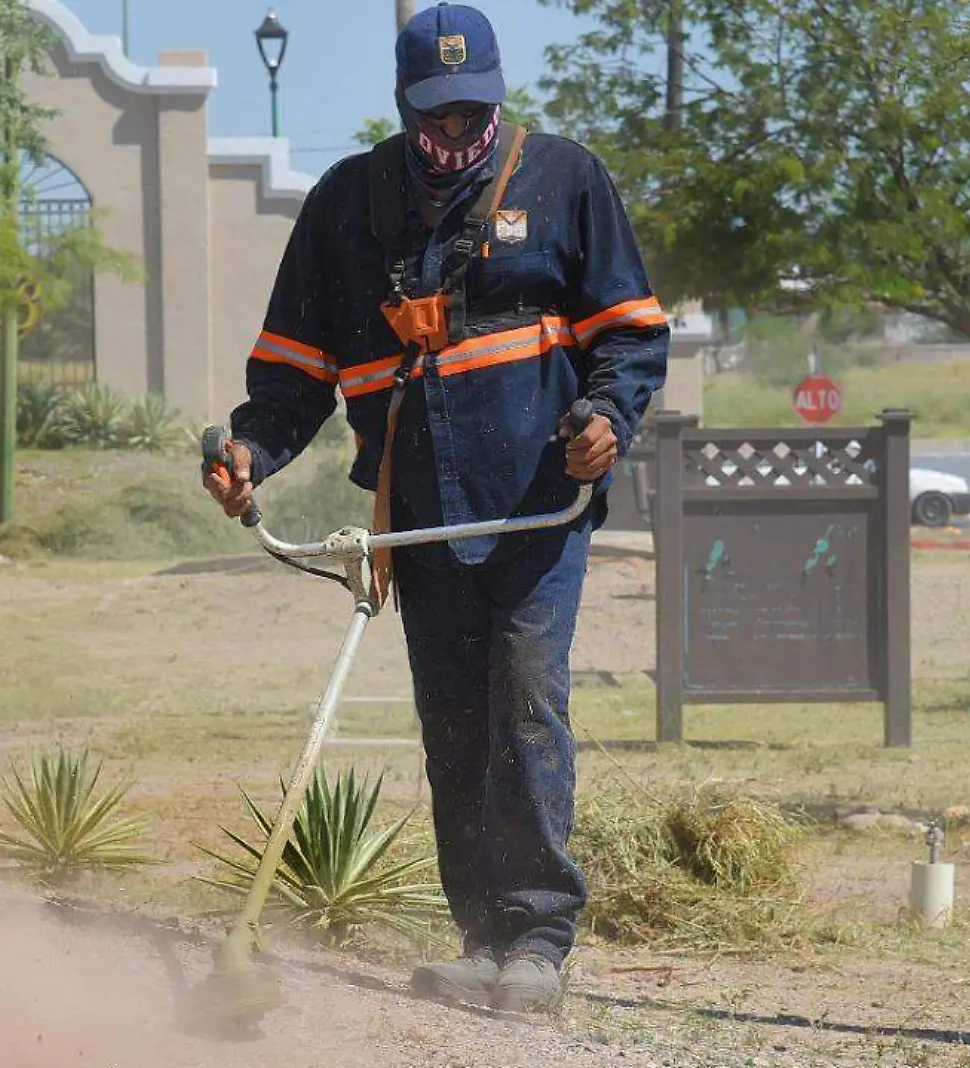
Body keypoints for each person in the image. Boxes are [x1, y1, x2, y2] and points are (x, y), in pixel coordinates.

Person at [203, 2, 668, 1015]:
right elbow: (291, 375)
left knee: (527, 709)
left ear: (495, 97)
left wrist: (604, 417)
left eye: (471, 114)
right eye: (436, 116)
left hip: (538, 508)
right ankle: (481, 935)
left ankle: (538, 940)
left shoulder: (565, 179)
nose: (455, 135)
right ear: (404, 104)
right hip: (416, 512)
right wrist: (249, 451)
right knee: (453, 726)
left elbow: (629, 334)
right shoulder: (343, 206)